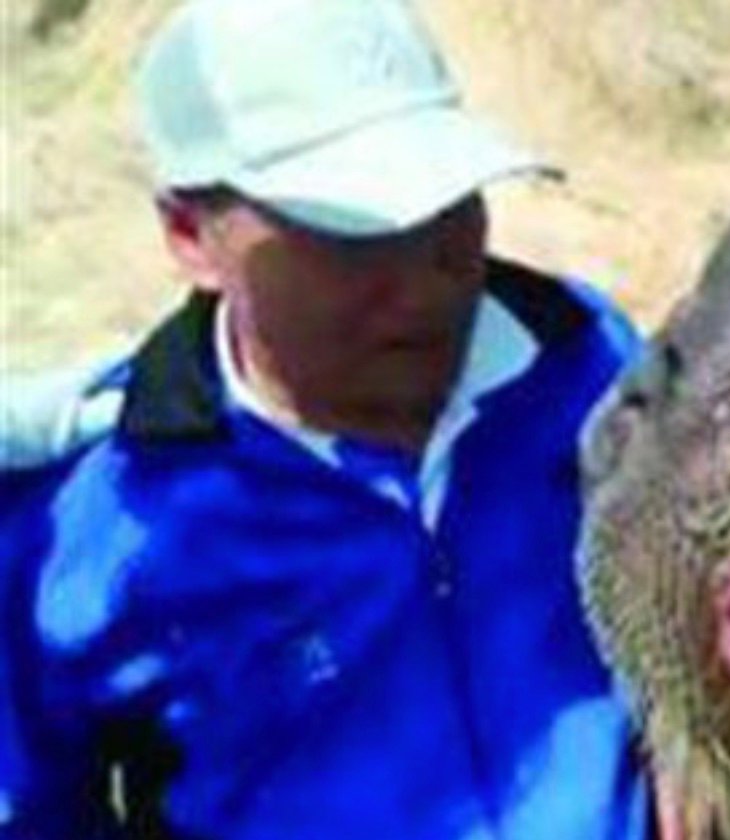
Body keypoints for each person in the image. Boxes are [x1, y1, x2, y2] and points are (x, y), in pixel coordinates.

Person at [0, 0, 652, 837]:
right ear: (190, 234)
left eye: (447, 211)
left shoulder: (585, 360)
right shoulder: (98, 522)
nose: (424, 284)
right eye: (349, 239)